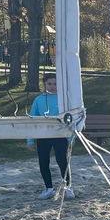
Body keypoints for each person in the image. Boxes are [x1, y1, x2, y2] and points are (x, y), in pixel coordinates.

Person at [26, 72, 73, 200]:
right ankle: (49, 189)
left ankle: (68, 187)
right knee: (43, 162)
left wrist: (70, 138)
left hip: (60, 135)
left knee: (62, 161)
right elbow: (32, 120)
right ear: (45, 84)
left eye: (55, 84)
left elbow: (70, 120)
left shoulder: (64, 99)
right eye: (49, 84)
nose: (52, 86)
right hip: (43, 135)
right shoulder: (39, 100)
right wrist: (30, 140)